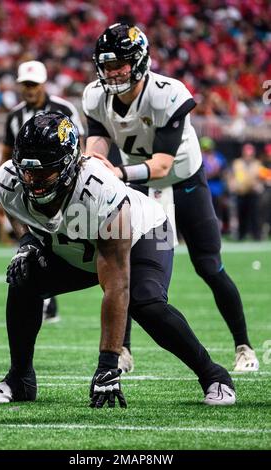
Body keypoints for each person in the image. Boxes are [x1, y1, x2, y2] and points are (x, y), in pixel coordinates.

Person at [0, 111, 235, 407]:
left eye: (44, 171)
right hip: (76, 243)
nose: (33, 181)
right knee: (25, 276)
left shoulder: (99, 190)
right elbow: (16, 210)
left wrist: (107, 364)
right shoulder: (8, 180)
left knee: (144, 301)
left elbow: (116, 286)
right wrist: (26, 242)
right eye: (27, 170)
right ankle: (19, 379)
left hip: (143, 234)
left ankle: (214, 376)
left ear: (68, 165)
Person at [82, 23, 259, 373]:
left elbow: (162, 165)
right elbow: (99, 138)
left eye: (121, 63)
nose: (114, 71)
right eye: (108, 64)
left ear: (140, 61)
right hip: (139, 185)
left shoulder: (167, 93)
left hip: (183, 180)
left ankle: (243, 346)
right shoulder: (94, 95)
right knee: (124, 267)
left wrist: (116, 173)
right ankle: (122, 350)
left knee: (209, 265)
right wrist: (95, 162)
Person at [0, 60, 85, 323]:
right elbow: (5, 155)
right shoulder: (14, 116)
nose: (28, 89)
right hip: (28, 192)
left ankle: (48, 296)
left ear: (43, 84)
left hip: (63, 189)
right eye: (25, 84)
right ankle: (45, 301)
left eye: (33, 84)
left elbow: (80, 147)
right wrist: (3, 189)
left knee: (60, 243)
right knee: (33, 244)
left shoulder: (64, 108)